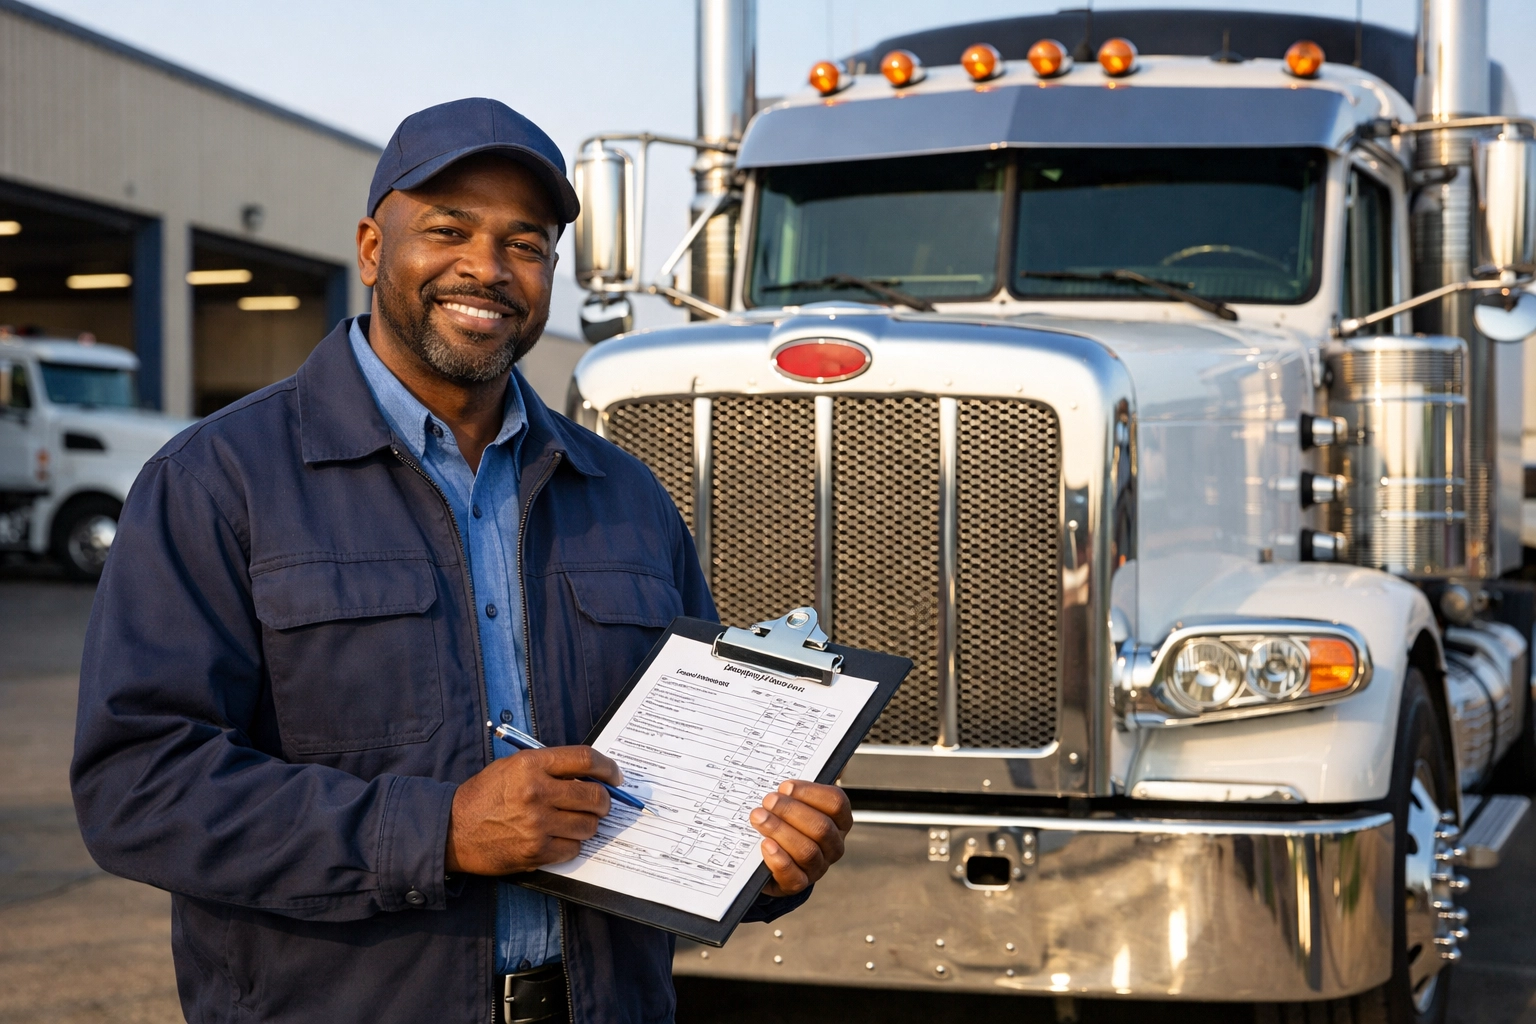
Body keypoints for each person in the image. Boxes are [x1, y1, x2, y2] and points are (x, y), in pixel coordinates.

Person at [71, 98, 852, 1024]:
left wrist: (770, 856)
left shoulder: (626, 498)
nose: (487, 268)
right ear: (371, 247)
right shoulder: (219, 483)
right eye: (448, 229)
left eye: (526, 244)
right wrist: (436, 834)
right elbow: (140, 785)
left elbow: (692, 782)